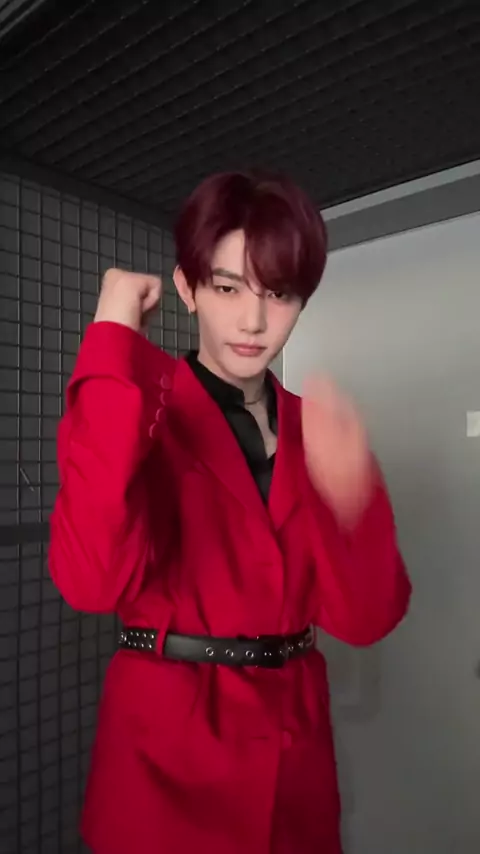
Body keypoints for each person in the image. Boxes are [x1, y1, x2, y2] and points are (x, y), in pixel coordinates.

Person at [48, 170, 411, 854]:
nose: (253, 321)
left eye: (279, 293)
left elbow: (366, 621)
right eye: (227, 288)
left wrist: (352, 498)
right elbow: (90, 581)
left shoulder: (317, 428)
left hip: (294, 756)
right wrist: (111, 336)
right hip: (164, 757)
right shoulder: (139, 409)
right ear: (187, 289)